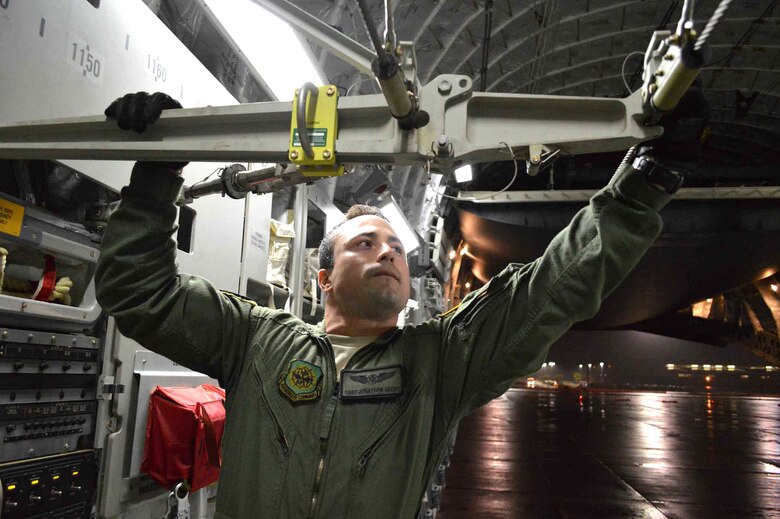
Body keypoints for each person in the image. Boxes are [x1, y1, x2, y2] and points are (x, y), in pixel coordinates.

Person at [95, 90, 707, 519]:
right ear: (324, 277)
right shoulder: (255, 338)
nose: (388, 253)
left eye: (395, 248)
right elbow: (138, 294)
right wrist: (154, 177)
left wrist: (647, 179)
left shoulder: (442, 362)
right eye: (365, 243)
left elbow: (553, 286)